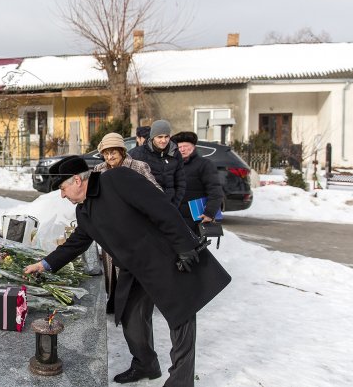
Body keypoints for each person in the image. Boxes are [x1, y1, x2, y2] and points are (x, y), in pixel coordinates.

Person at [24, 156, 230, 387]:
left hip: (164, 259)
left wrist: (184, 246)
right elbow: (77, 242)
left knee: (180, 319)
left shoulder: (117, 179)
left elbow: (161, 207)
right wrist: (44, 264)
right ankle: (146, 364)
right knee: (131, 318)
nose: (62, 195)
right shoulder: (84, 211)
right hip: (134, 270)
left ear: (77, 181)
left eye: (62, 189)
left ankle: (180, 382)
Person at [94, 132, 162, 314]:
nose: (109, 157)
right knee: (111, 268)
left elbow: (156, 193)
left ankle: (134, 305)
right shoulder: (99, 170)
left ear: (122, 151)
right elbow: (92, 198)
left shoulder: (138, 167)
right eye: (106, 153)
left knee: (131, 268)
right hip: (111, 228)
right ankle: (114, 300)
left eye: (113, 153)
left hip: (134, 229)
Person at [171, 131, 224, 236]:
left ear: (193, 147)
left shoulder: (205, 165)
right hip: (176, 216)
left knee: (193, 250)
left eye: (185, 146)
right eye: (179, 147)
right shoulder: (173, 165)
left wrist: (209, 213)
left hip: (195, 218)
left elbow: (215, 191)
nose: (182, 149)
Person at [129, 119, 186, 207]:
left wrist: (174, 205)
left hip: (169, 206)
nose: (163, 140)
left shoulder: (175, 153)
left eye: (166, 136)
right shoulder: (137, 154)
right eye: (160, 137)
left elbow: (180, 182)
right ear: (152, 137)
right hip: (144, 207)